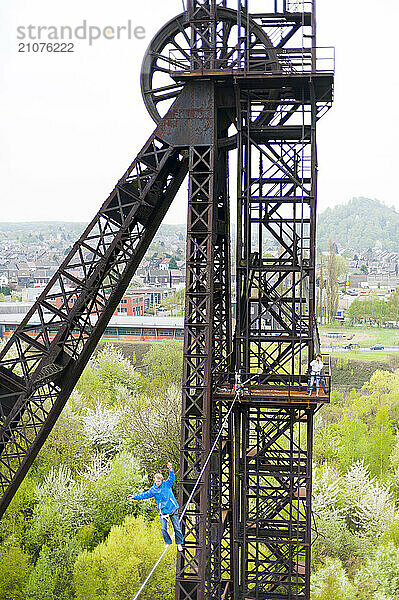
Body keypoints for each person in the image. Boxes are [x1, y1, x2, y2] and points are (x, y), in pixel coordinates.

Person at [128, 462, 184, 551]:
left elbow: (172, 478)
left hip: (172, 509)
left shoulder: (167, 484)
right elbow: (144, 495)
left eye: (159, 481)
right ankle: (168, 542)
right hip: (163, 512)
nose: (158, 483)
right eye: (156, 481)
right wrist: (134, 496)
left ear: (162, 481)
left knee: (177, 528)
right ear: (154, 481)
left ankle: (179, 543)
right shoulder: (153, 490)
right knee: (163, 529)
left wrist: (170, 469)